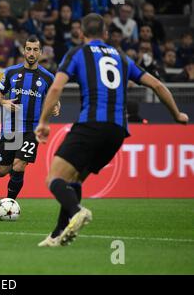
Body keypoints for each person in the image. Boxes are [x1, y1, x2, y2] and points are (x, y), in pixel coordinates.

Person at [34, 13, 189, 247]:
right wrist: (177, 114)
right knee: (75, 178)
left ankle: (77, 211)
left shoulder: (78, 53)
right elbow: (156, 84)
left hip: (91, 124)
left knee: (54, 178)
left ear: (82, 34)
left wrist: (44, 122)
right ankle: (57, 234)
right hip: (117, 131)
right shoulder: (121, 56)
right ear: (105, 35)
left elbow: (56, 88)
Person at [0, 36, 60, 200]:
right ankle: (15, 175)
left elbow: (54, 98)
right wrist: (4, 102)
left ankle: (10, 202)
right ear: (23, 51)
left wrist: (57, 106)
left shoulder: (48, 77)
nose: (31, 53)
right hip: (11, 128)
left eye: (35, 49)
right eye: (29, 49)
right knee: (1, 171)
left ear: (40, 52)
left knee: (20, 164)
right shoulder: (11, 72)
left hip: (32, 129)